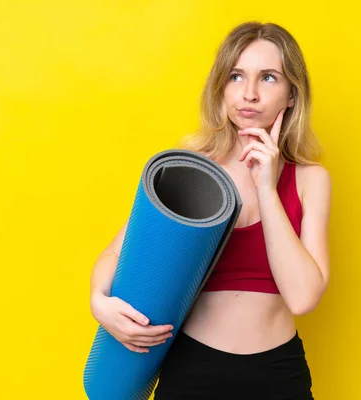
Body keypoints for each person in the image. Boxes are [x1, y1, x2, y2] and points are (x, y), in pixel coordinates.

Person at [89, 21, 331, 399]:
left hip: (277, 374)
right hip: (192, 369)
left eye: (268, 78)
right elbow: (116, 254)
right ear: (220, 89)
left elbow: (303, 297)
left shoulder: (310, 180)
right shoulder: (191, 170)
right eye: (236, 76)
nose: (249, 93)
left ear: (292, 96)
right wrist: (99, 302)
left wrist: (267, 187)